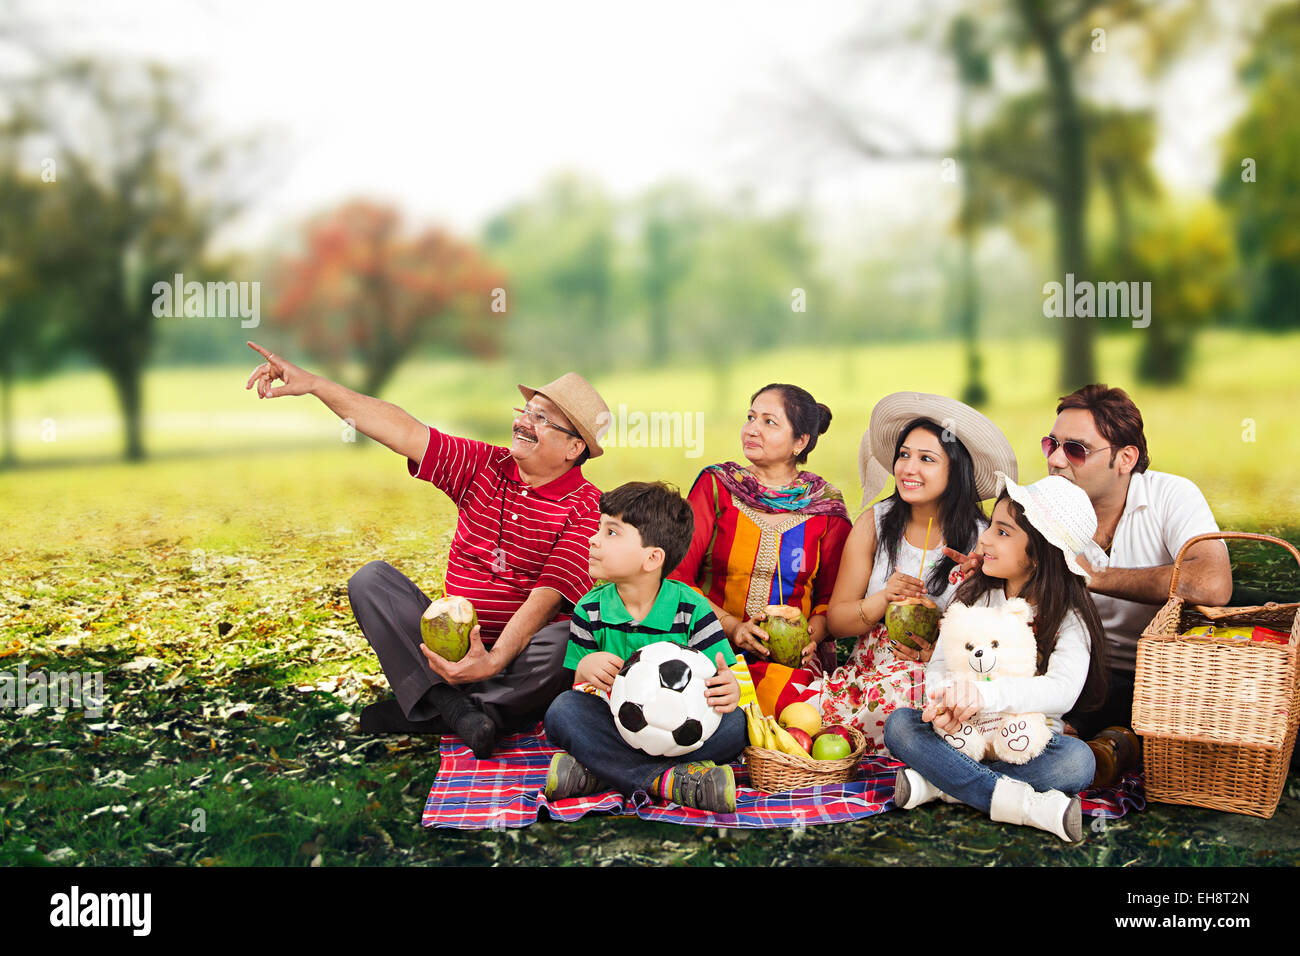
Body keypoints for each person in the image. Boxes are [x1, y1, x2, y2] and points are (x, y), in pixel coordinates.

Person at [244, 341, 609, 758]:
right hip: (448, 641)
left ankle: (449, 707)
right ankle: (460, 708)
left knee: (566, 640)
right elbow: (401, 430)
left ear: (573, 448)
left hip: (517, 660)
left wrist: (491, 661)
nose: (524, 423)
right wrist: (314, 384)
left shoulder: (588, 506)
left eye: (541, 418)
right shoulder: (484, 466)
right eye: (525, 411)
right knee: (371, 581)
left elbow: (547, 597)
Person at [945, 384, 1232, 739]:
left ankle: (1104, 742)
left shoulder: (1171, 495)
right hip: (1076, 667)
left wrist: (1095, 575)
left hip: (1164, 670)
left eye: (1076, 450)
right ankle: (1104, 744)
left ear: (1125, 458)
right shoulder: (1039, 509)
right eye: (1051, 444)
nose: (1055, 460)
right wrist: (992, 574)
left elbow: (1213, 584)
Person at [884, 474, 1110, 843]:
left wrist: (987, 696)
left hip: (1024, 745)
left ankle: (941, 785)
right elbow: (940, 666)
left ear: (1038, 553)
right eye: (991, 526)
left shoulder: (1070, 616)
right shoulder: (975, 595)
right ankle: (1023, 805)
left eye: (1003, 532)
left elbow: (1062, 690)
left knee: (1077, 762)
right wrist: (948, 700)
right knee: (900, 726)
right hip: (962, 734)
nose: (985, 538)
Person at [820, 392, 1018, 755]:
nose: (908, 469)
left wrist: (978, 587)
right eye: (904, 455)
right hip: (869, 672)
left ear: (955, 471)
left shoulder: (981, 538)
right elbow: (837, 621)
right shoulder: (874, 524)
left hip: (940, 675)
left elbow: (998, 636)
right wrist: (884, 599)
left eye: (926, 459)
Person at [543, 482, 752, 814]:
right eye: (599, 527)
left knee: (737, 726)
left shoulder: (692, 609)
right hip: (616, 723)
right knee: (562, 712)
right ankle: (670, 782)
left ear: (652, 558)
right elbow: (580, 689)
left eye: (611, 533)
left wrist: (730, 690)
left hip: (681, 736)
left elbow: (730, 679)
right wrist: (585, 669)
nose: (593, 539)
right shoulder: (590, 609)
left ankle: (599, 771)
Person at [670, 384, 850, 675]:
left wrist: (809, 639)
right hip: (708, 650)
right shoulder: (717, 487)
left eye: (769, 422)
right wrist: (733, 628)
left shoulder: (825, 507)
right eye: (751, 417)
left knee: (795, 716)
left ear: (799, 442)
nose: (752, 429)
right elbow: (678, 575)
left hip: (790, 664)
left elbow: (832, 599)